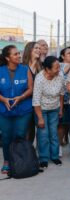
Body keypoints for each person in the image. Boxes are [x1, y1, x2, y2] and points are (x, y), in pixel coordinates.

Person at [0, 45, 33, 174]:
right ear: (8, 58)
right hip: (4, 110)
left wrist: (21, 97)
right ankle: (7, 161)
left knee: (19, 135)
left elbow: (31, 88)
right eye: (15, 54)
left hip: (23, 110)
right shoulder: (1, 70)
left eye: (18, 53)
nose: (19, 56)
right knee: (7, 137)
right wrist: (3, 99)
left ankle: (19, 160)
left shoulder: (25, 69)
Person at [33, 56, 64, 168]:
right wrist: (40, 118)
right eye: (56, 68)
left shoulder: (60, 76)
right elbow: (36, 100)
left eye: (59, 67)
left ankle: (54, 156)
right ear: (47, 69)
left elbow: (61, 93)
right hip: (42, 110)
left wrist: (60, 108)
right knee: (43, 135)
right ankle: (44, 158)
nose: (59, 70)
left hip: (54, 109)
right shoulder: (39, 78)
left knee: (54, 134)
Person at [22, 41, 42, 144]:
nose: (39, 50)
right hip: (26, 102)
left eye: (39, 48)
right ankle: (26, 154)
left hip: (39, 103)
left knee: (40, 131)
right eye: (36, 48)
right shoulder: (21, 67)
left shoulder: (41, 67)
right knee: (27, 131)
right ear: (29, 50)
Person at [58, 46, 70, 150]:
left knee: (69, 123)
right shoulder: (59, 65)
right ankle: (59, 143)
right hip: (62, 100)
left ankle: (65, 137)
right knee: (61, 124)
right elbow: (63, 73)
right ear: (62, 56)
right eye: (69, 53)